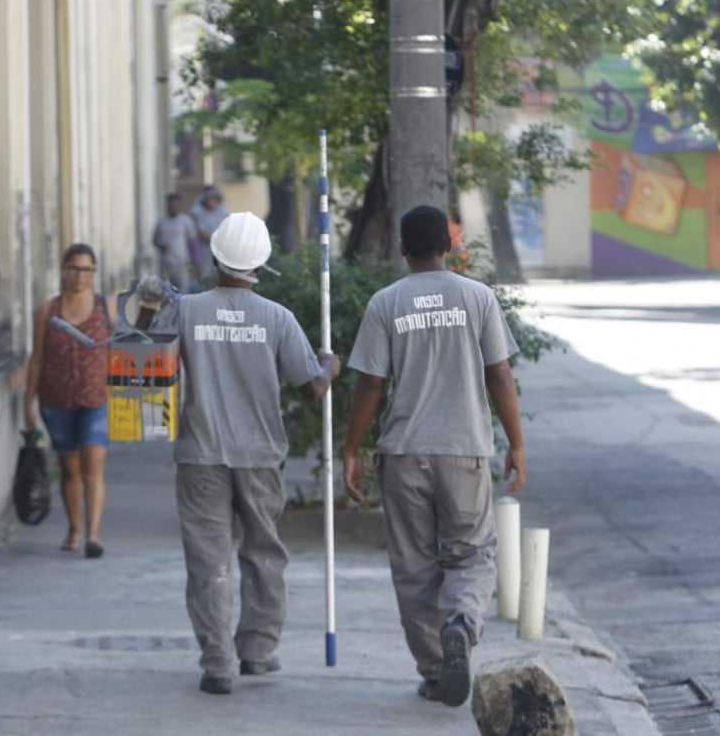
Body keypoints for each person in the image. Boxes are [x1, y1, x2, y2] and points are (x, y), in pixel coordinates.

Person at [341, 205, 527, 708]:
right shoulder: (477, 297)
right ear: (449, 244)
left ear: (402, 248)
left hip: (404, 454)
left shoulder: (386, 302)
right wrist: (516, 442)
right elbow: (499, 374)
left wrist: (351, 449)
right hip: (464, 451)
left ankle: (434, 670)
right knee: (472, 553)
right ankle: (462, 622)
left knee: (414, 567)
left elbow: (371, 384)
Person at [173, 212, 341, 696]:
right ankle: (257, 651)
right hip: (261, 456)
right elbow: (311, 387)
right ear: (261, 265)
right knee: (263, 553)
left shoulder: (186, 310)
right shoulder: (276, 318)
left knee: (208, 560)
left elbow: (143, 341)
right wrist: (330, 365)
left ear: (214, 257)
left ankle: (218, 663)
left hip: (200, 455)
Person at [24, 244, 117, 559]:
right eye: (75, 269)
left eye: (88, 270)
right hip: (56, 400)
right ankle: (75, 528)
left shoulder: (106, 308)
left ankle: (93, 535)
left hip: (96, 398)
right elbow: (37, 358)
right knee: (70, 467)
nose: (81, 276)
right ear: (64, 271)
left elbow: (124, 346)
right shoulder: (47, 311)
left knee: (93, 461)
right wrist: (28, 403)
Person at [152, 193, 196, 293]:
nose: (173, 208)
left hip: (181, 264)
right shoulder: (161, 222)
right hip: (165, 264)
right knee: (165, 292)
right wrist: (160, 245)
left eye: (176, 205)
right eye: (171, 205)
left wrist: (195, 262)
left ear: (180, 206)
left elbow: (192, 243)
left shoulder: (186, 221)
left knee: (182, 292)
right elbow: (154, 240)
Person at [189, 185, 228, 283]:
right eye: (210, 199)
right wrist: (215, 240)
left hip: (220, 250)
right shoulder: (200, 213)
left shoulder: (222, 211)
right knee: (206, 275)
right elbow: (202, 232)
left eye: (215, 199)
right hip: (206, 250)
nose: (213, 202)